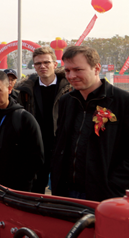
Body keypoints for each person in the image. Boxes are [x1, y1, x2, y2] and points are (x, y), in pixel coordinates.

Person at [51, 46, 129, 202]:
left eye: (78, 70)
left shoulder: (123, 102)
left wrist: (114, 185)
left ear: (97, 68)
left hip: (105, 194)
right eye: (67, 71)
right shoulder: (66, 101)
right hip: (66, 192)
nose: (71, 76)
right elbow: (60, 143)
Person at [16, 46, 72, 194]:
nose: (42, 66)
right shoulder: (25, 90)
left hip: (61, 144)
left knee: (61, 187)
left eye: (46, 62)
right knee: (35, 187)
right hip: (36, 145)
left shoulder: (69, 88)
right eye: (38, 63)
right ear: (34, 66)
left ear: (55, 64)